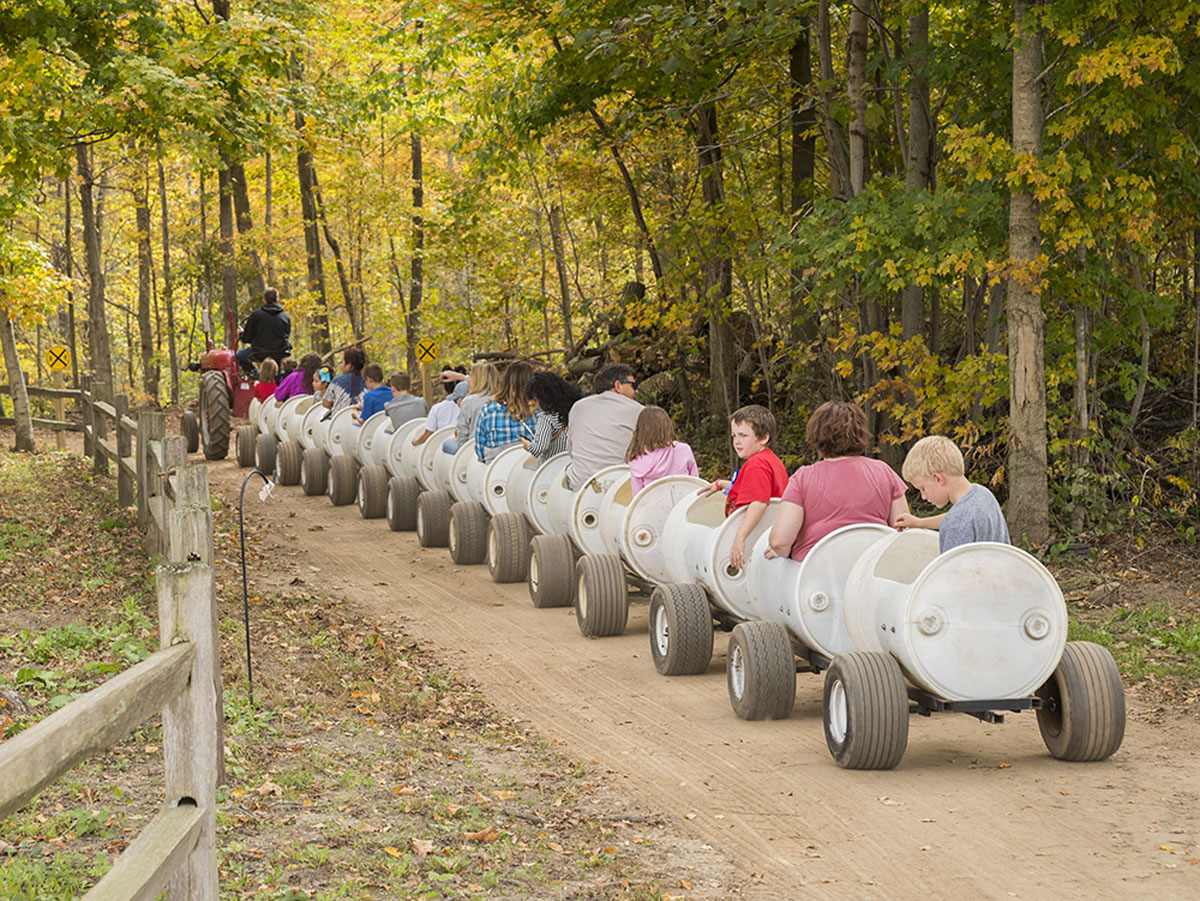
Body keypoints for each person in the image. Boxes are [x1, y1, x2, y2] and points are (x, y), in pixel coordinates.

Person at [766, 401, 910, 563]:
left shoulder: (803, 478)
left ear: (816, 434)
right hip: (872, 571)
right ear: (861, 432)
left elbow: (780, 541)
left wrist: (785, 554)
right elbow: (904, 530)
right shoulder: (884, 471)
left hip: (816, 576)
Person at [697, 404, 788, 569]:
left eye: (743, 435)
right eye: (734, 436)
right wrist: (722, 484)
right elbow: (752, 489)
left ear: (763, 438)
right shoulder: (768, 459)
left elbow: (759, 502)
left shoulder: (757, 464)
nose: (737, 441)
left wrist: (740, 537)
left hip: (758, 538)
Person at [897, 435, 1010, 551]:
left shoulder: (955, 524)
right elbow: (955, 517)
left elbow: (951, 568)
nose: (923, 497)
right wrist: (918, 522)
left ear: (938, 479)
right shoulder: (982, 494)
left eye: (922, 488)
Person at [565, 363, 643, 489]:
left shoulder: (578, 407)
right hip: (618, 484)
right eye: (633, 385)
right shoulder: (638, 410)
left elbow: (571, 450)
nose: (636, 390)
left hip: (581, 484)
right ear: (618, 386)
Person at [474, 360, 537, 463]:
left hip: (497, 472)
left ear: (505, 382)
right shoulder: (539, 411)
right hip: (530, 473)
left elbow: (480, 450)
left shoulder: (488, 410)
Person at [625, 406, 698, 492]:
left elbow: (638, 497)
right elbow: (696, 483)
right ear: (667, 426)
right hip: (684, 502)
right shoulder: (683, 450)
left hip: (653, 504)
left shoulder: (637, 458)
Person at [444, 361, 500, 455]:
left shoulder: (468, 401)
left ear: (476, 379)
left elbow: (462, 436)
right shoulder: (502, 398)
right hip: (497, 446)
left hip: (473, 448)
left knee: (447, 444)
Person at [525, 370, 582, 460]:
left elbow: (540, 447)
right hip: (573, 462)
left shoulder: (546, 419)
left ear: (545, 397)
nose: (536, 405)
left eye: (536, 400)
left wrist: (527, 445)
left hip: (551, 466)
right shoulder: (576, 410)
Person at [236, 286, 291, 374]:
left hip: (259, 352)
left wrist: (241, 333)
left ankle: (255, 373)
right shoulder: (285, 316)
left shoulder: (256, 315)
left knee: (239, 355)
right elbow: (286, 335)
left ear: (264, 300)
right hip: (280, 352)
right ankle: (278, 377)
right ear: (277, 300)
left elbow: (246, 338)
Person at [412, 378, 462, 446]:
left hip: (439, 446)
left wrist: (417, 442)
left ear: (444, 389)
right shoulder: (467, 407)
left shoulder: (437, 408)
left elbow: (428, 433)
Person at [323, 347, 366, 414]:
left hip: (339, 421)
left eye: (342, 362)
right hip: (360, 422)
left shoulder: (337, 381)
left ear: (349, 365)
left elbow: (326, 403)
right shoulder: (367, 383)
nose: (341, 365)